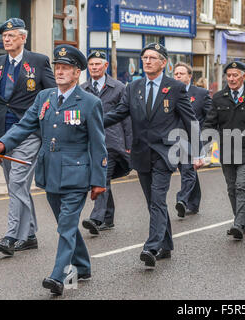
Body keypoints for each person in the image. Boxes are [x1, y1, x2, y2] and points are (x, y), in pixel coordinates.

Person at [0, 44, 107, 295]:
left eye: (66, 68)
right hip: (50, 173)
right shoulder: (44, 97)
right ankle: (83, 264)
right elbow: (25, 126)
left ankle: (58, 276)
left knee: (66, 226)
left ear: (77, 73)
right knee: (64, 224)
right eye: (57, 67)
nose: (60, 71)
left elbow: (98, 144)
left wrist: (99, 180)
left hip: (77, 175)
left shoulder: (89, 103)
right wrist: (3, 143)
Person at [103, 43, 204, 269]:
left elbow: (190, 121)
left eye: (152, 58)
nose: (147, 61)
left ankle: (152, 246)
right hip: (141, 153)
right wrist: (92, 123)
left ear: (163, 63)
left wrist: (198, 153)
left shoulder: (175, 88)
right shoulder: (133, 87)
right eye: (144, 57)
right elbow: (119, 113)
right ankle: (166, 244)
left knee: (158, 199)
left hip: (165, 152)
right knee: (152, 202)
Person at [0, 18, 56, 256]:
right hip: (4, 135)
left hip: (29, 133)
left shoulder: (38, 61)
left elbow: (51, 95)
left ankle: (11, 235)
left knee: (18, 183)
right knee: (15, 187)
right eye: (4, 36)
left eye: (11, 36)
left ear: (23, 37)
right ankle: (30, 234)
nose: (6, 40)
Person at [203, 61, 245, 240]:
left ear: (243, 76)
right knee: (232, 188)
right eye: (229, 75)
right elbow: (209, 124)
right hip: (225, 150)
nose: (231, 79)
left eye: (235, 75)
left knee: (242, 185)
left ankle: (238, 224)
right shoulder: (218, 98)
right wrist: (201, 149)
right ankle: (243, 220)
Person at [80, 51, 132, 235]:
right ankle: (108, 218)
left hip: (112, 142)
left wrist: (129, 143)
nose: (94, 67)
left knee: (101, 177)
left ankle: (96, 217)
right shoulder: (83, 88)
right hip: (90, 144)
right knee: (104, 179)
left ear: (105, 66)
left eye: (97, 64)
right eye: (91, 64)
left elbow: (126, 118)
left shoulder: (119, 87)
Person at [173, 62, 211, 217]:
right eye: (175, 74)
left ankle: (182, 200)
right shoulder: (170, 92)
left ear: (189, 76)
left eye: (181, 74)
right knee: (187, 171)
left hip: (194, 139)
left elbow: (210, 117)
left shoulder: (201, 93)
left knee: (188, 170)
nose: (178, 76)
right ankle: (193, 204)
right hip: (175, 139)